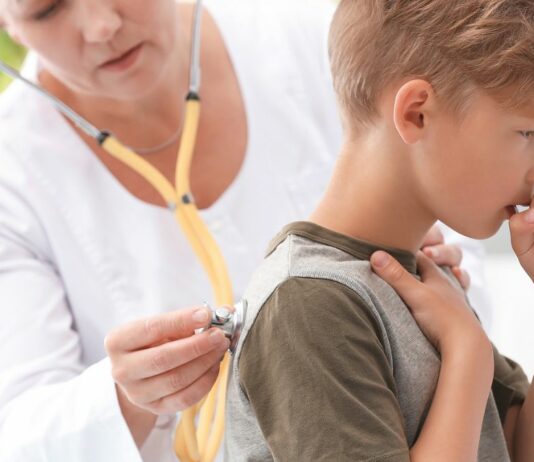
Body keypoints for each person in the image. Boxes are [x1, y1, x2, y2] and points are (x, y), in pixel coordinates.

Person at [0, 0, 478, 461]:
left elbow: (469, 272)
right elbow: (19, 436)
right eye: (46, 9)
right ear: (7, 22)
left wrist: (438, 277)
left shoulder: (317, 41)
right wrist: (125, 397)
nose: (102, 24)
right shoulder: (13, 173)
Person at [225, 0, 534, 461]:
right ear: (416, 114)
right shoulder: (309, 304)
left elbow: (515, 443)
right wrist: (466, 354)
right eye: (528, 134)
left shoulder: (425, 282)